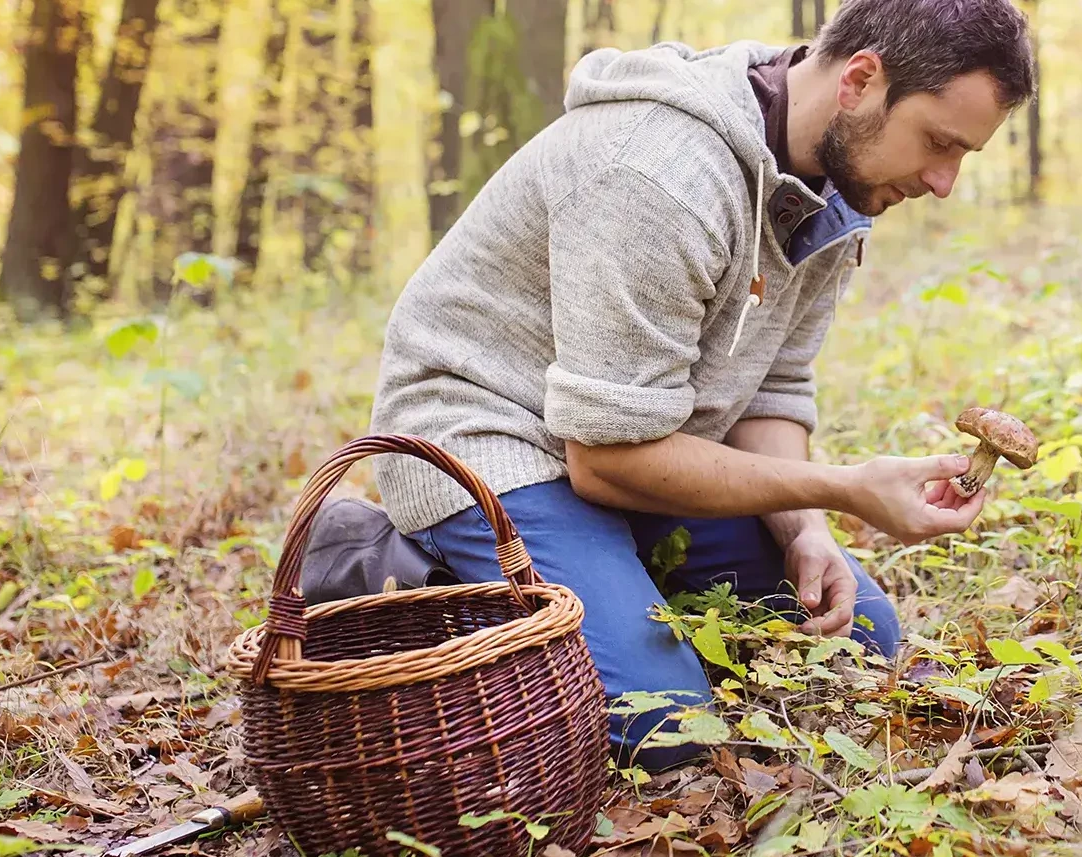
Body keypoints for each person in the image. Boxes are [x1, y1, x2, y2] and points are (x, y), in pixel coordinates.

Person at [364, 0, 1037, 770]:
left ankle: (608, 581)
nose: (944, 182)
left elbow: (772, 384)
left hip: (635, 443)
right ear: (860, 80)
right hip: (489, 445)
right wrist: (849, 487)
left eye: (963, 156)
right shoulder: (659, 174)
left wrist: (808, 528)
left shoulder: (841, 181)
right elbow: (605, 457)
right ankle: (438, 598)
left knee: (861, 639)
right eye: (939, 144)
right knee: (670, 727)